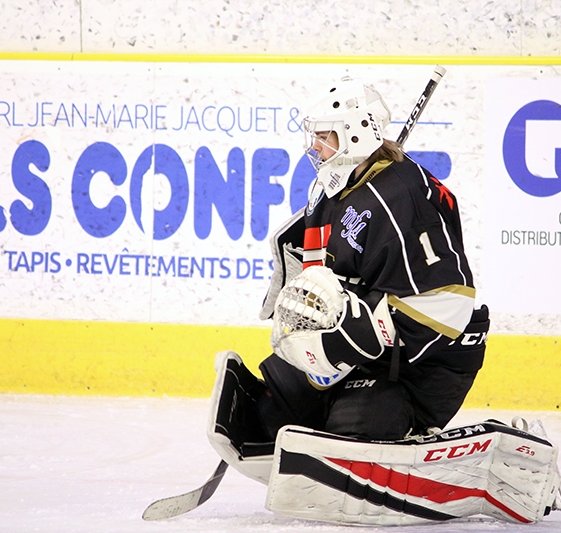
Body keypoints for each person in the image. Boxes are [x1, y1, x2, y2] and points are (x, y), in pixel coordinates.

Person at [207, 76, 489, 461]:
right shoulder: (334, 187)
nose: (315, 147)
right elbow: (322, 273)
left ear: (355, 136)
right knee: (275, 408)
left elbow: (447, 305)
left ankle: (410, 435)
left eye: (325, 137)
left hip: (425, 363)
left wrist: (357, 329)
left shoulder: (402, 200)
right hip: (371, 346)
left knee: (356, 424)